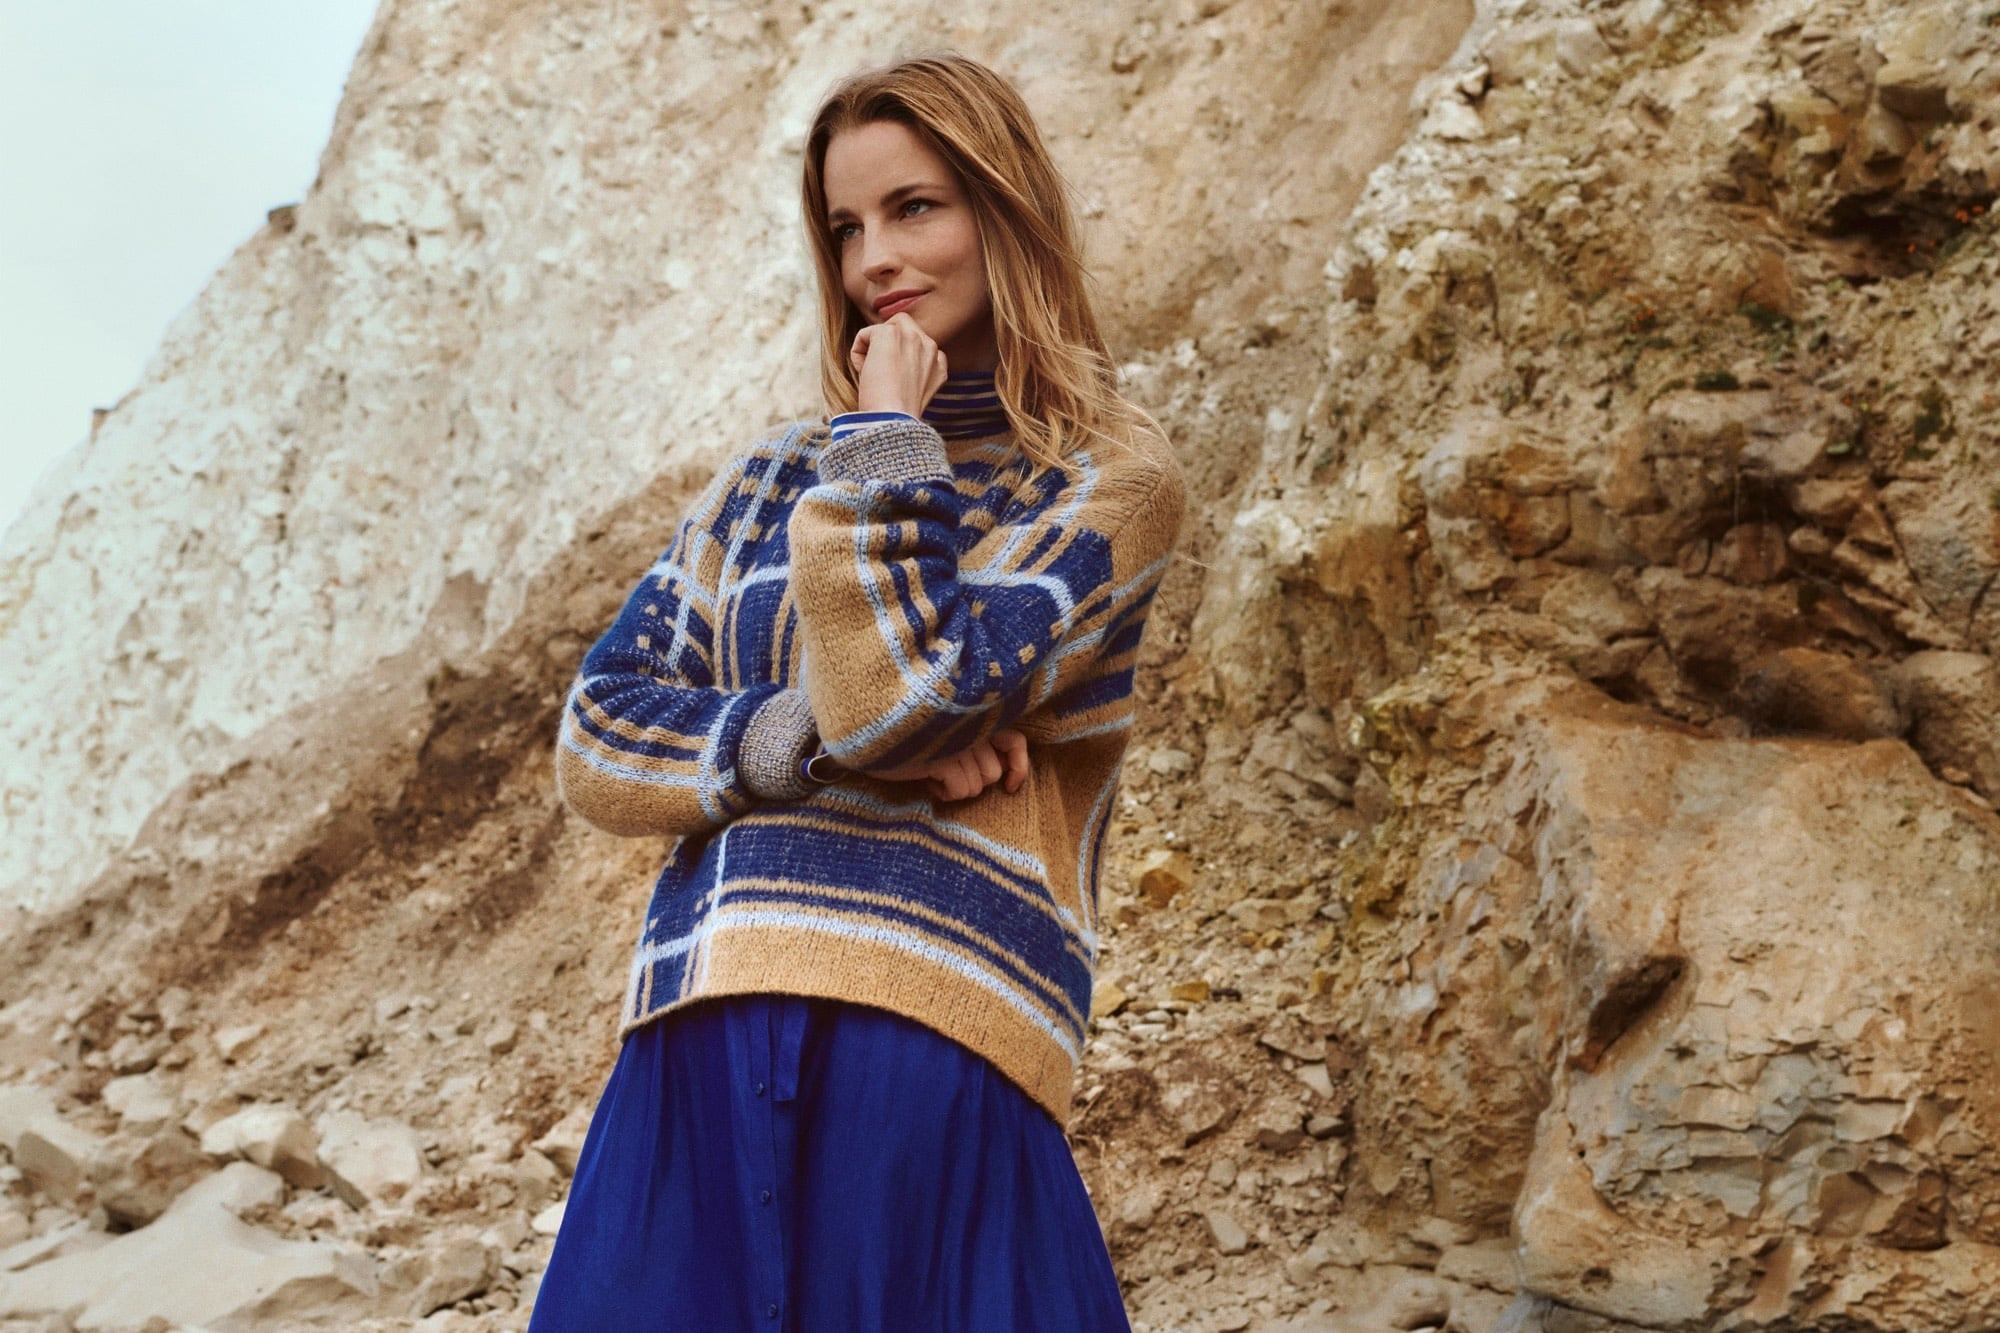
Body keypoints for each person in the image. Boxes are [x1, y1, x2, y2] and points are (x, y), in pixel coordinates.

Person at [527, 52, 1185, 1331]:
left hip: (929, 1021)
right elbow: (597, 732)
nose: (873, 258)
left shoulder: (1103, 481)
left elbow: (908, 696)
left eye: (913, 208)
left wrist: (886, 442)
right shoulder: (767, 479)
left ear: (1004, 212)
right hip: (701, 1012)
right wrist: (801, 744)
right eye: (843, 227)